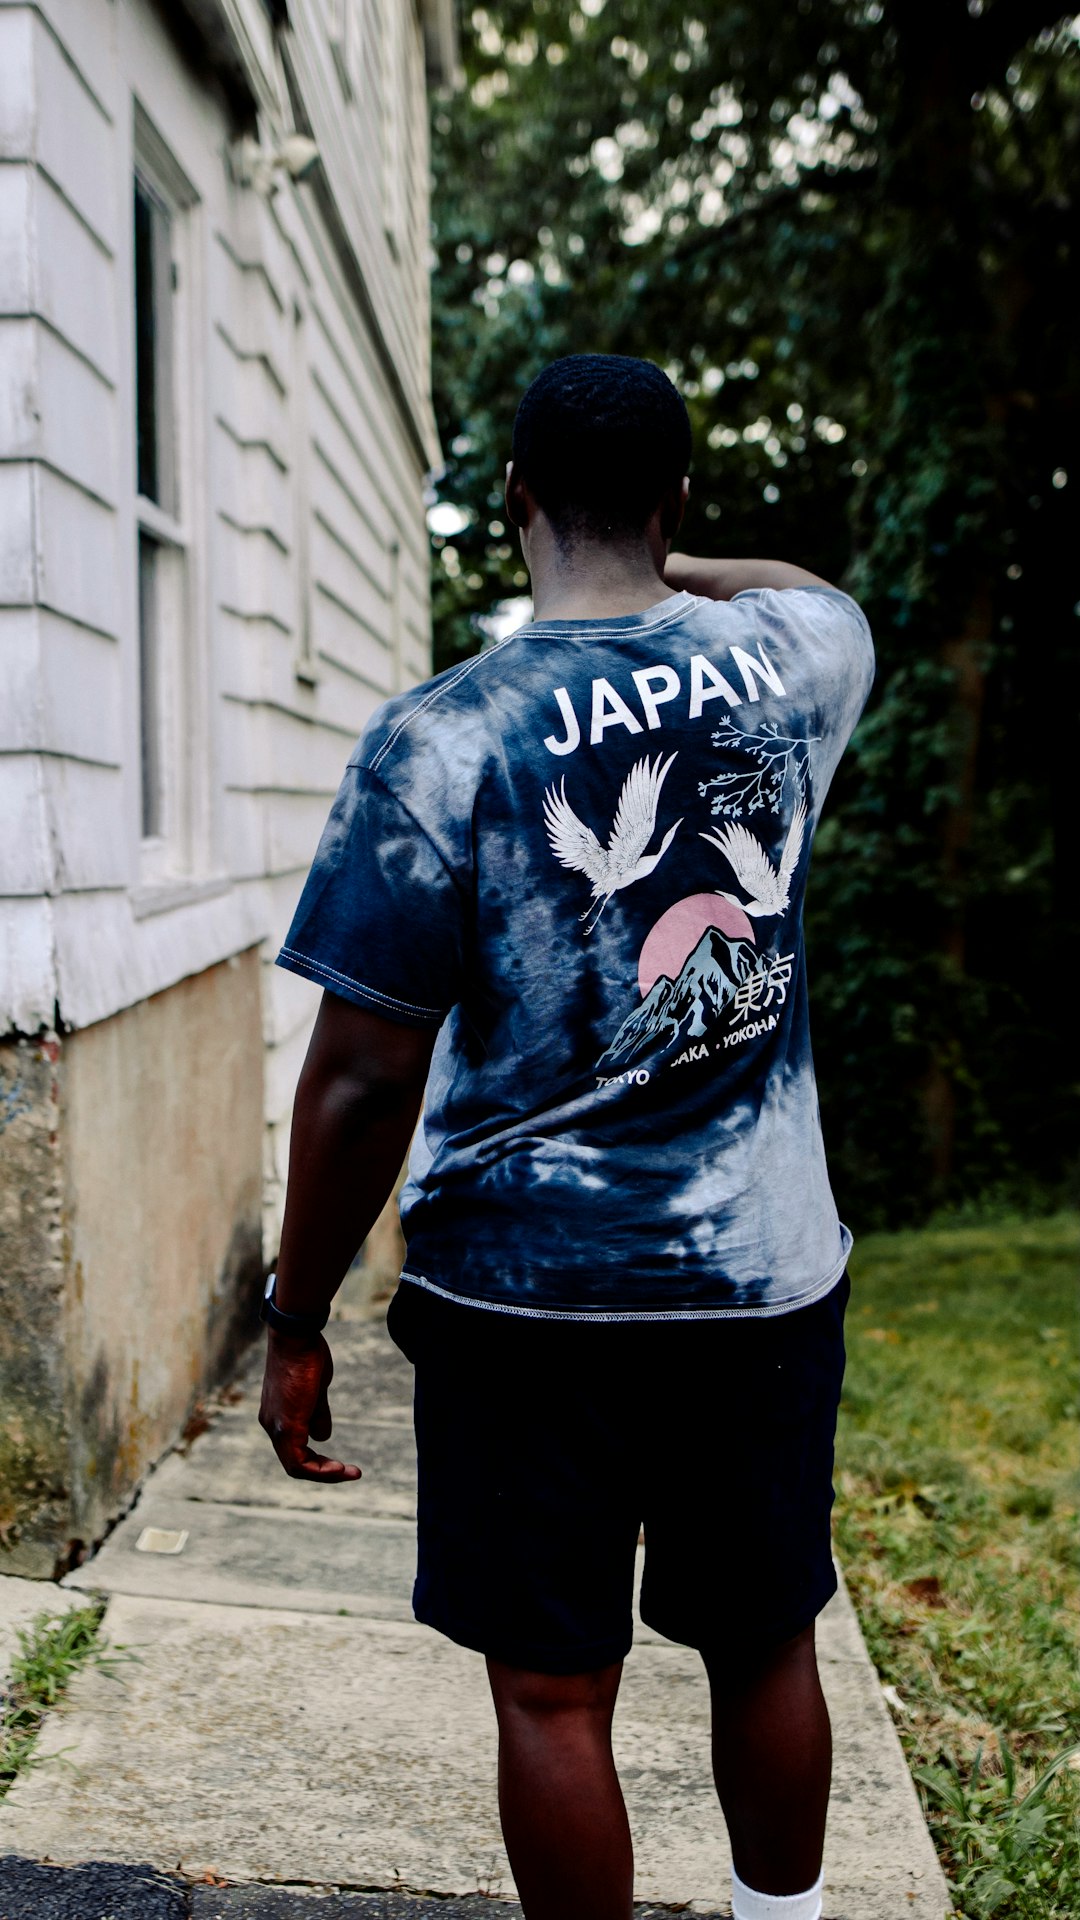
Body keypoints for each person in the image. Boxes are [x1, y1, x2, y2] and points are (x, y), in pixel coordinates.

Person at [259, 354, 875, 1920]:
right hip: (760, 1278)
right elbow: (806, 586)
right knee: (765, 1639)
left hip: (527, 1308)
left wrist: (295, 1316)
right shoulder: (794, 662)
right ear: (673, 505)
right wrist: (674, 562)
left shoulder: (441, 742)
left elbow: (355, 1079)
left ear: (514, 504)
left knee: (551, 1695)